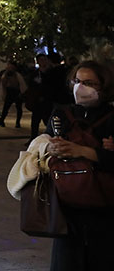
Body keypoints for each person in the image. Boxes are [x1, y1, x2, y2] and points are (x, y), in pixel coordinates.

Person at [44, 61, 114, 271]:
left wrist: (81, 151)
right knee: (67, 261)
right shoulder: (60, 115)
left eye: (89, 83)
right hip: (67, 204)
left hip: (104, 204)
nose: (80, 87)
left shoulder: (111, 117)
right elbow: (42, 148)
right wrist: (49, 148)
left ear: (104, 86)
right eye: (77, 81)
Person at [0, 61, 27, 128]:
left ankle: (17, 122)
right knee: (6, 108)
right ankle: (1, 121)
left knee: (18, 108)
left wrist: (21, 93)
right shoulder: (6, 74)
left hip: (16, 92)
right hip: (9, 92)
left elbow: (21, 85)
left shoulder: (17, 75)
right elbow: (3, 83)